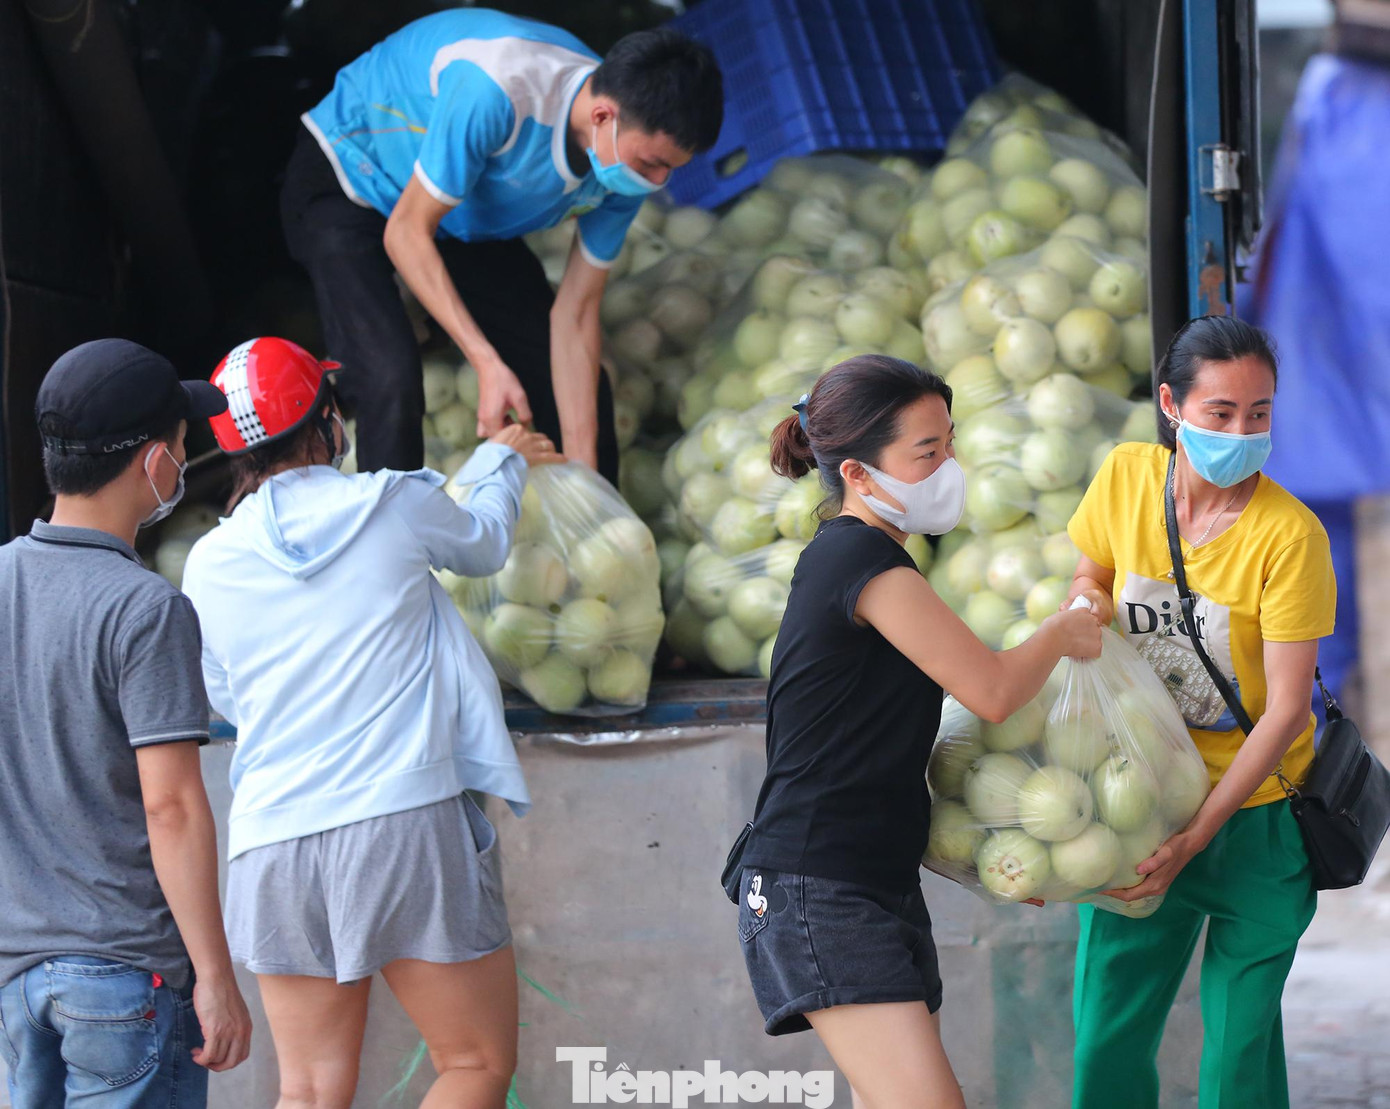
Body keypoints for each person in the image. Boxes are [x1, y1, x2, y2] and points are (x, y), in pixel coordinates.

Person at [179, 336, 562, 1108]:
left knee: (312, 1089)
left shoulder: (207, 564)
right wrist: (501, 460)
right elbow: (483, 542)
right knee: (473, 1063)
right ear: (327, 421)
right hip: (402, 823)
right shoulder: (391, 501)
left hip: (273, 842)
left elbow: (224, 694)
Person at [732, 355, 1102, 1109]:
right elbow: (994, 690)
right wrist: (1064, 632)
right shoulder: (860, 560)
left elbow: (875, 752)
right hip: (818, 888)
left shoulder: (866, 556)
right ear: (860, 475)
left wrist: (996, 846)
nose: (951, 466)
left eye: (951, 442)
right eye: (927, 453)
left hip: (865, 881)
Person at [1064, 316, 1335, 1109]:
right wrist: (1083, 606)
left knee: (1237, 1056)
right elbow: (1092, 569)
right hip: (1136, 804)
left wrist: (1196, 836)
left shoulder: (1290, 538)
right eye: (1221, 412)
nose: (1244, 430)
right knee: (1108, 1036)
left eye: (1260, 411)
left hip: (1254, 818)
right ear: (1171, 406)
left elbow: (1285, 709)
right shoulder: (1123, 477)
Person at [281, 9, 723, 481]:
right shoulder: (499, 91)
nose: (658, 181)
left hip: (459, 208)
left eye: (670, 168)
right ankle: (390, 543)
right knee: (388, 377)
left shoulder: (622, 166)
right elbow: (407, 232)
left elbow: (574, 316)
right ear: (602, 116)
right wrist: (486, 362)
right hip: (350, 175)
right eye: (652, 163)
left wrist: (587, 483)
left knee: (567, 379)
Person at [0, 339, 252, 1107]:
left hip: (16, 978)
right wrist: (214, 975)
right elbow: (170, 805)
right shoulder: (147, 608)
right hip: (127, 978)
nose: (185, 457)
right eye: (181, 444)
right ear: (152, 462)